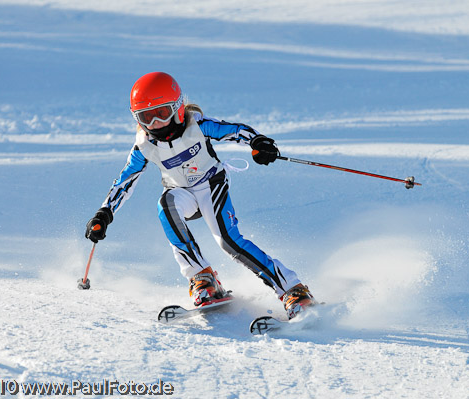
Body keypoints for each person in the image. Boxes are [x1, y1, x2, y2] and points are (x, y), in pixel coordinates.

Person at [85, 72, 315, 319]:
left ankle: (293, 289)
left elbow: (235, 130)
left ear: (177, 107)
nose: (156, 124)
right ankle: (202, 277)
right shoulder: (144, 145)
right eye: (146, 118)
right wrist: (105, 213)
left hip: (210, 185)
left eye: (161, 113)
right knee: (166, 207)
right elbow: (125, 181)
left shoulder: (197, 125)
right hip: (179, 192)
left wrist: (258, 142)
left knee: (229, 241)